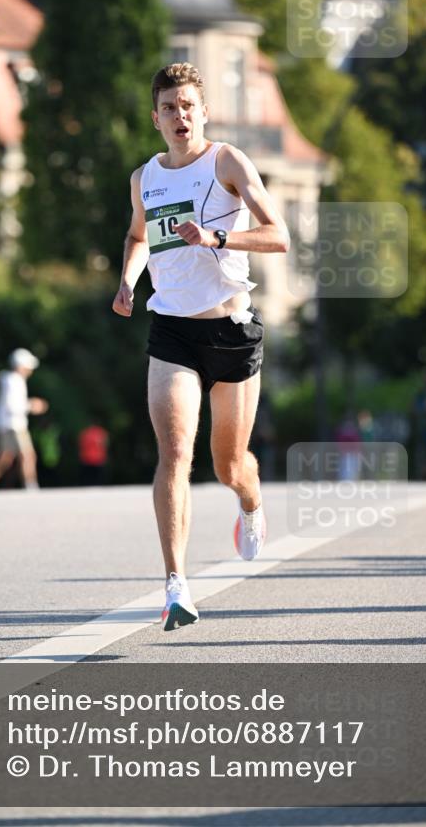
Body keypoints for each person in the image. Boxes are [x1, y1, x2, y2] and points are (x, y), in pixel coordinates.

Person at [112, 62, 290, 631]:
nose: (180, 116)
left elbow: (278, 236)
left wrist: (217, 236)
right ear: (155, 117)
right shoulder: (146, 178)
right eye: (169, 108)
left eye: (188, 106)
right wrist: (128, 279)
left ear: (203, 111)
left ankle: (251, 501)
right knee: (174, 454)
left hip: (230, 329)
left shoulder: (227, 162)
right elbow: (139, 235)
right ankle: (175, 585)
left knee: (228, 465)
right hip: (172, 330)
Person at [0, 349, 49, 492]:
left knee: (5, 458)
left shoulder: (11, 380)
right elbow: (13, 405)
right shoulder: (14, 381)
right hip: (15, 425)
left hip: (7, 425)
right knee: (28, 455)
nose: (30, 370)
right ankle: (31, 486)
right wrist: (32, 405)